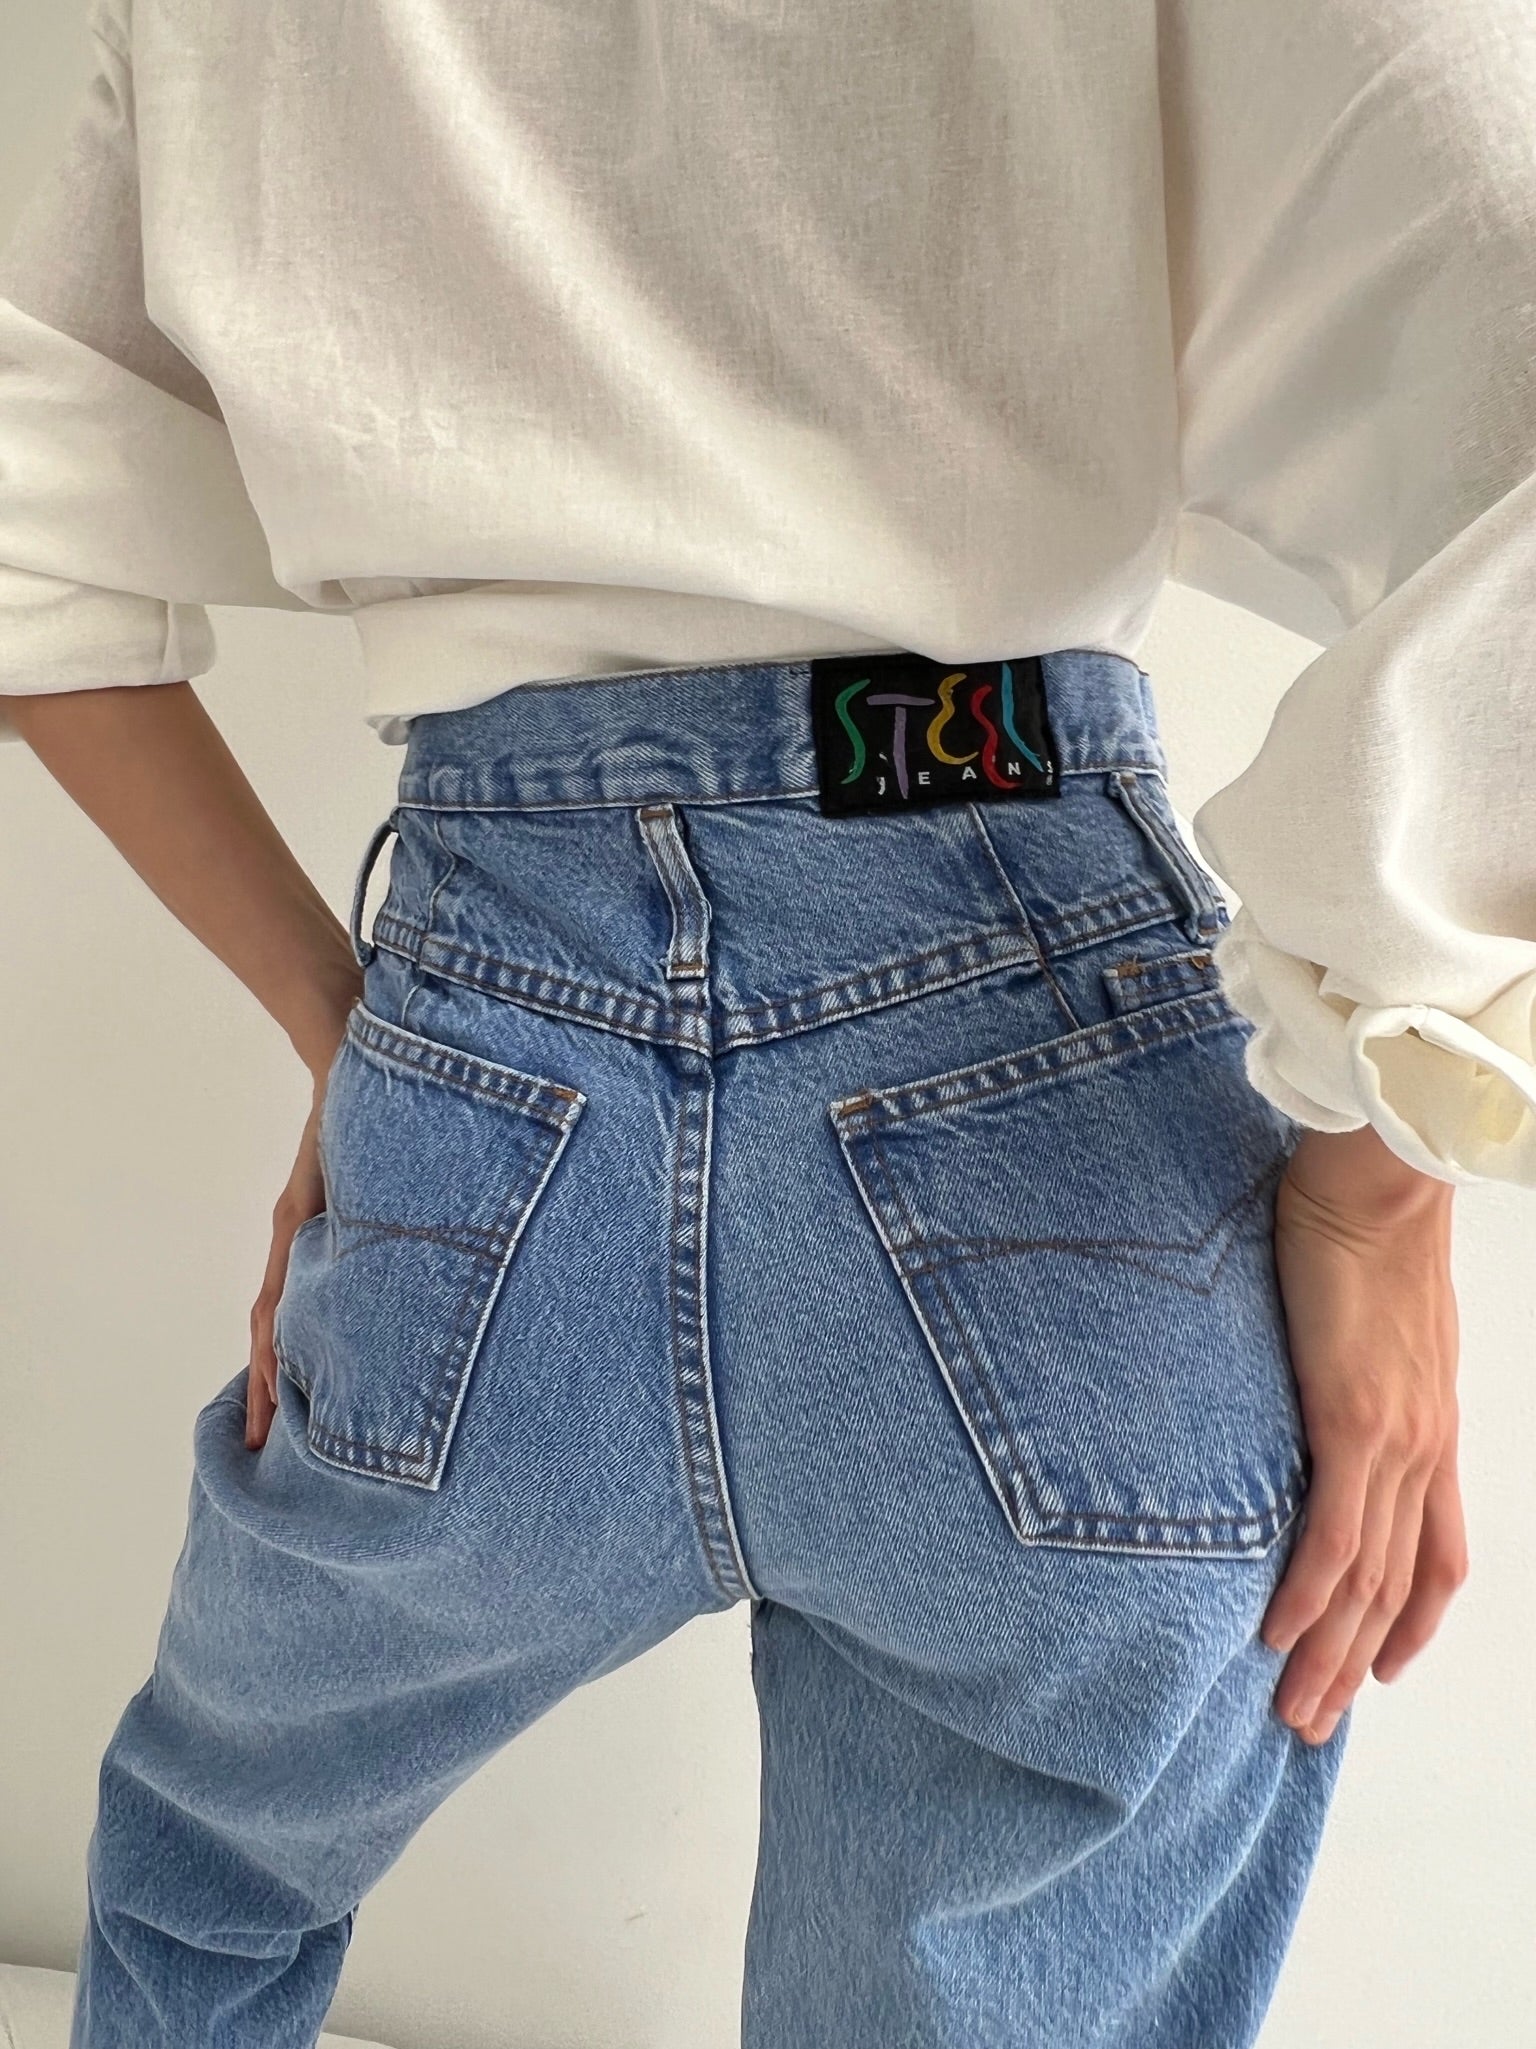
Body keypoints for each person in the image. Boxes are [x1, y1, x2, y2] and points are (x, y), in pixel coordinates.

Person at [0, 0, 1528, 2041]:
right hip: (1046, 1056)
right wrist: (1377, 1175)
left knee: (208, 1880)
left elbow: (23, 525)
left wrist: (348, 1026)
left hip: (492, 1047)